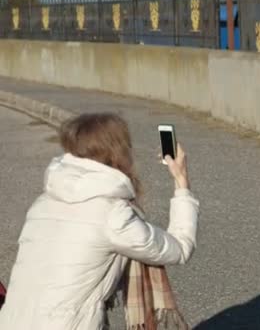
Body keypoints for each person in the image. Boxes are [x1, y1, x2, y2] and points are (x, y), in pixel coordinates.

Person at [0, 113, 199, 329]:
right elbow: (179, 248)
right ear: (119, 153)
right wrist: (182, 182)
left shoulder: (44, 202)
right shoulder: (113, 216)